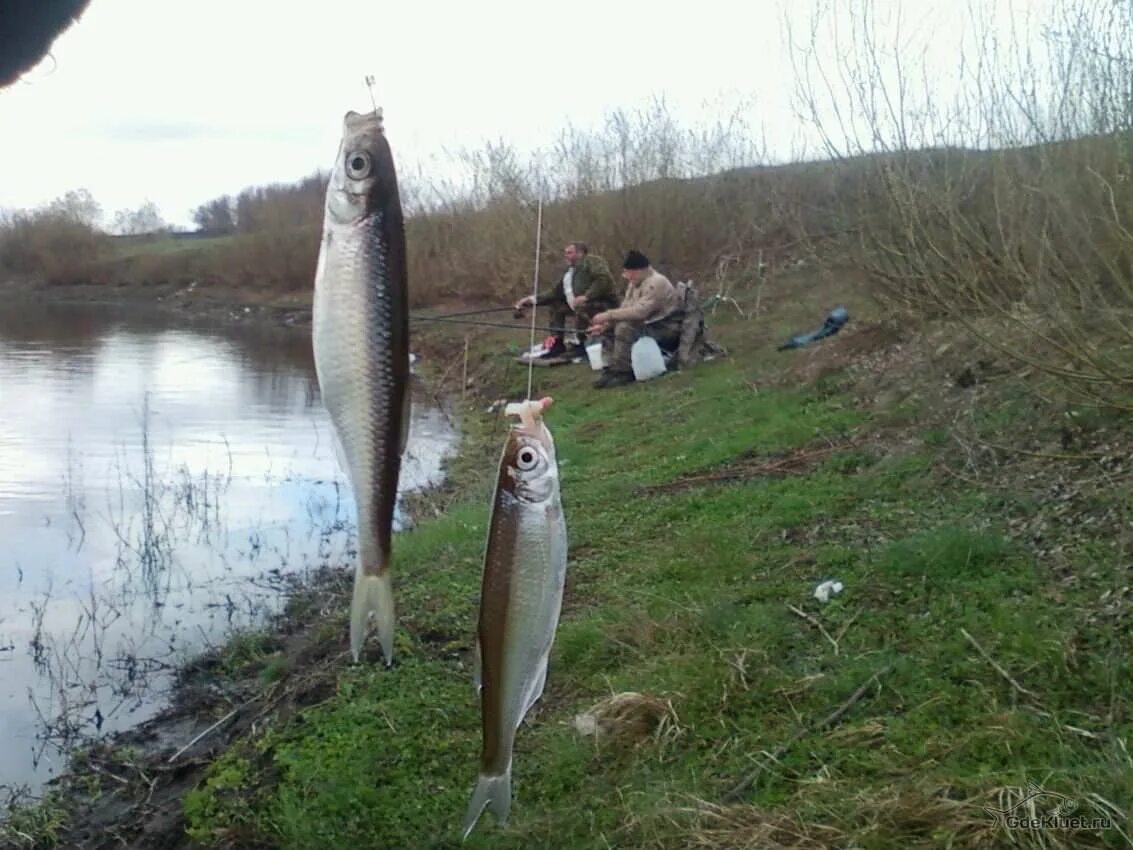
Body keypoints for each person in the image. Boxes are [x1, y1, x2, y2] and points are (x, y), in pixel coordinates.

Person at [587, 250, 683, 389]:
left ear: (640, 270)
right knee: (612, 328)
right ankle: (613, 367)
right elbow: (625, 308)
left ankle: (624, 371)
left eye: (629, 273)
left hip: (665, 328)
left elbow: (640, 312)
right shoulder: (635, 283)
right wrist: (606, 325)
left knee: (624, 327)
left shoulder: (656, 282)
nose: (627, 277)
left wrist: (608, 315)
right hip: (648, 325)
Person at [514, 242, 618, 359]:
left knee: (581, 305)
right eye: (565, 253)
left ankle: (582, 344)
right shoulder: (569, 272)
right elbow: (554, 293)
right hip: (577, 306)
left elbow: (603, 279)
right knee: (556, 305)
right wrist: (531, 300)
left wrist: (587, 296)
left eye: (569, 252)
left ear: (580, 253)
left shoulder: (592, 261)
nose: (566, 255)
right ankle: (557, 343)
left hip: (602, 305)